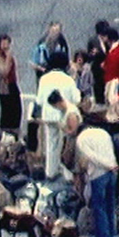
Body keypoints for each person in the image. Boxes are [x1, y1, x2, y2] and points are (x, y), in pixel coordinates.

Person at [36, 52, 80, 180]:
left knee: (51, 142)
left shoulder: (44, 78)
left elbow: (39, 100)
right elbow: (76, 99)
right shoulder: (68, 79)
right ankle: (67, 173)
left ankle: (51, 171)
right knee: (66, 144)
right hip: (64, 115)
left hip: (48, 115)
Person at [75, 123, 118, 237]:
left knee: (99, 208)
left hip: (99, 174)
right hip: (112, 172)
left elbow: (91, 157)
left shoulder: (81, 139)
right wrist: (112, 165)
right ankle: (111, 233)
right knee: (110, 204)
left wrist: (106, 165)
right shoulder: (103, 132)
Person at [0, 34, 22, 138]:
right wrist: (8, 57)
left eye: (7, 43)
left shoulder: (7, 53)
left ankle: (15, 132)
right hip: (4, 87)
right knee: (7, 111)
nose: (6, 46)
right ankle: (4, 133)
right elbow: (4, 71)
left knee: (17, 109)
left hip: (12, 84)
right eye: (3, 43)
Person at [30, 21, 70, 88]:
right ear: (49, 30)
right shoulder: (42, 43)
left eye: (57, 31)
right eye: (53, 30)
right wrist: (42, 69)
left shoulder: (62, 43)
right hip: (43, 74)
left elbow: (66, 58)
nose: (55, 33)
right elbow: (34, 62)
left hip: (58, 74)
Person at [87, 20, 111, 104]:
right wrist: (93, 54)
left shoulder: (109, 40)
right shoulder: (93, 41)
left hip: (108, 69)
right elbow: (89, 57)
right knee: (99, 88)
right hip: (98, 70)